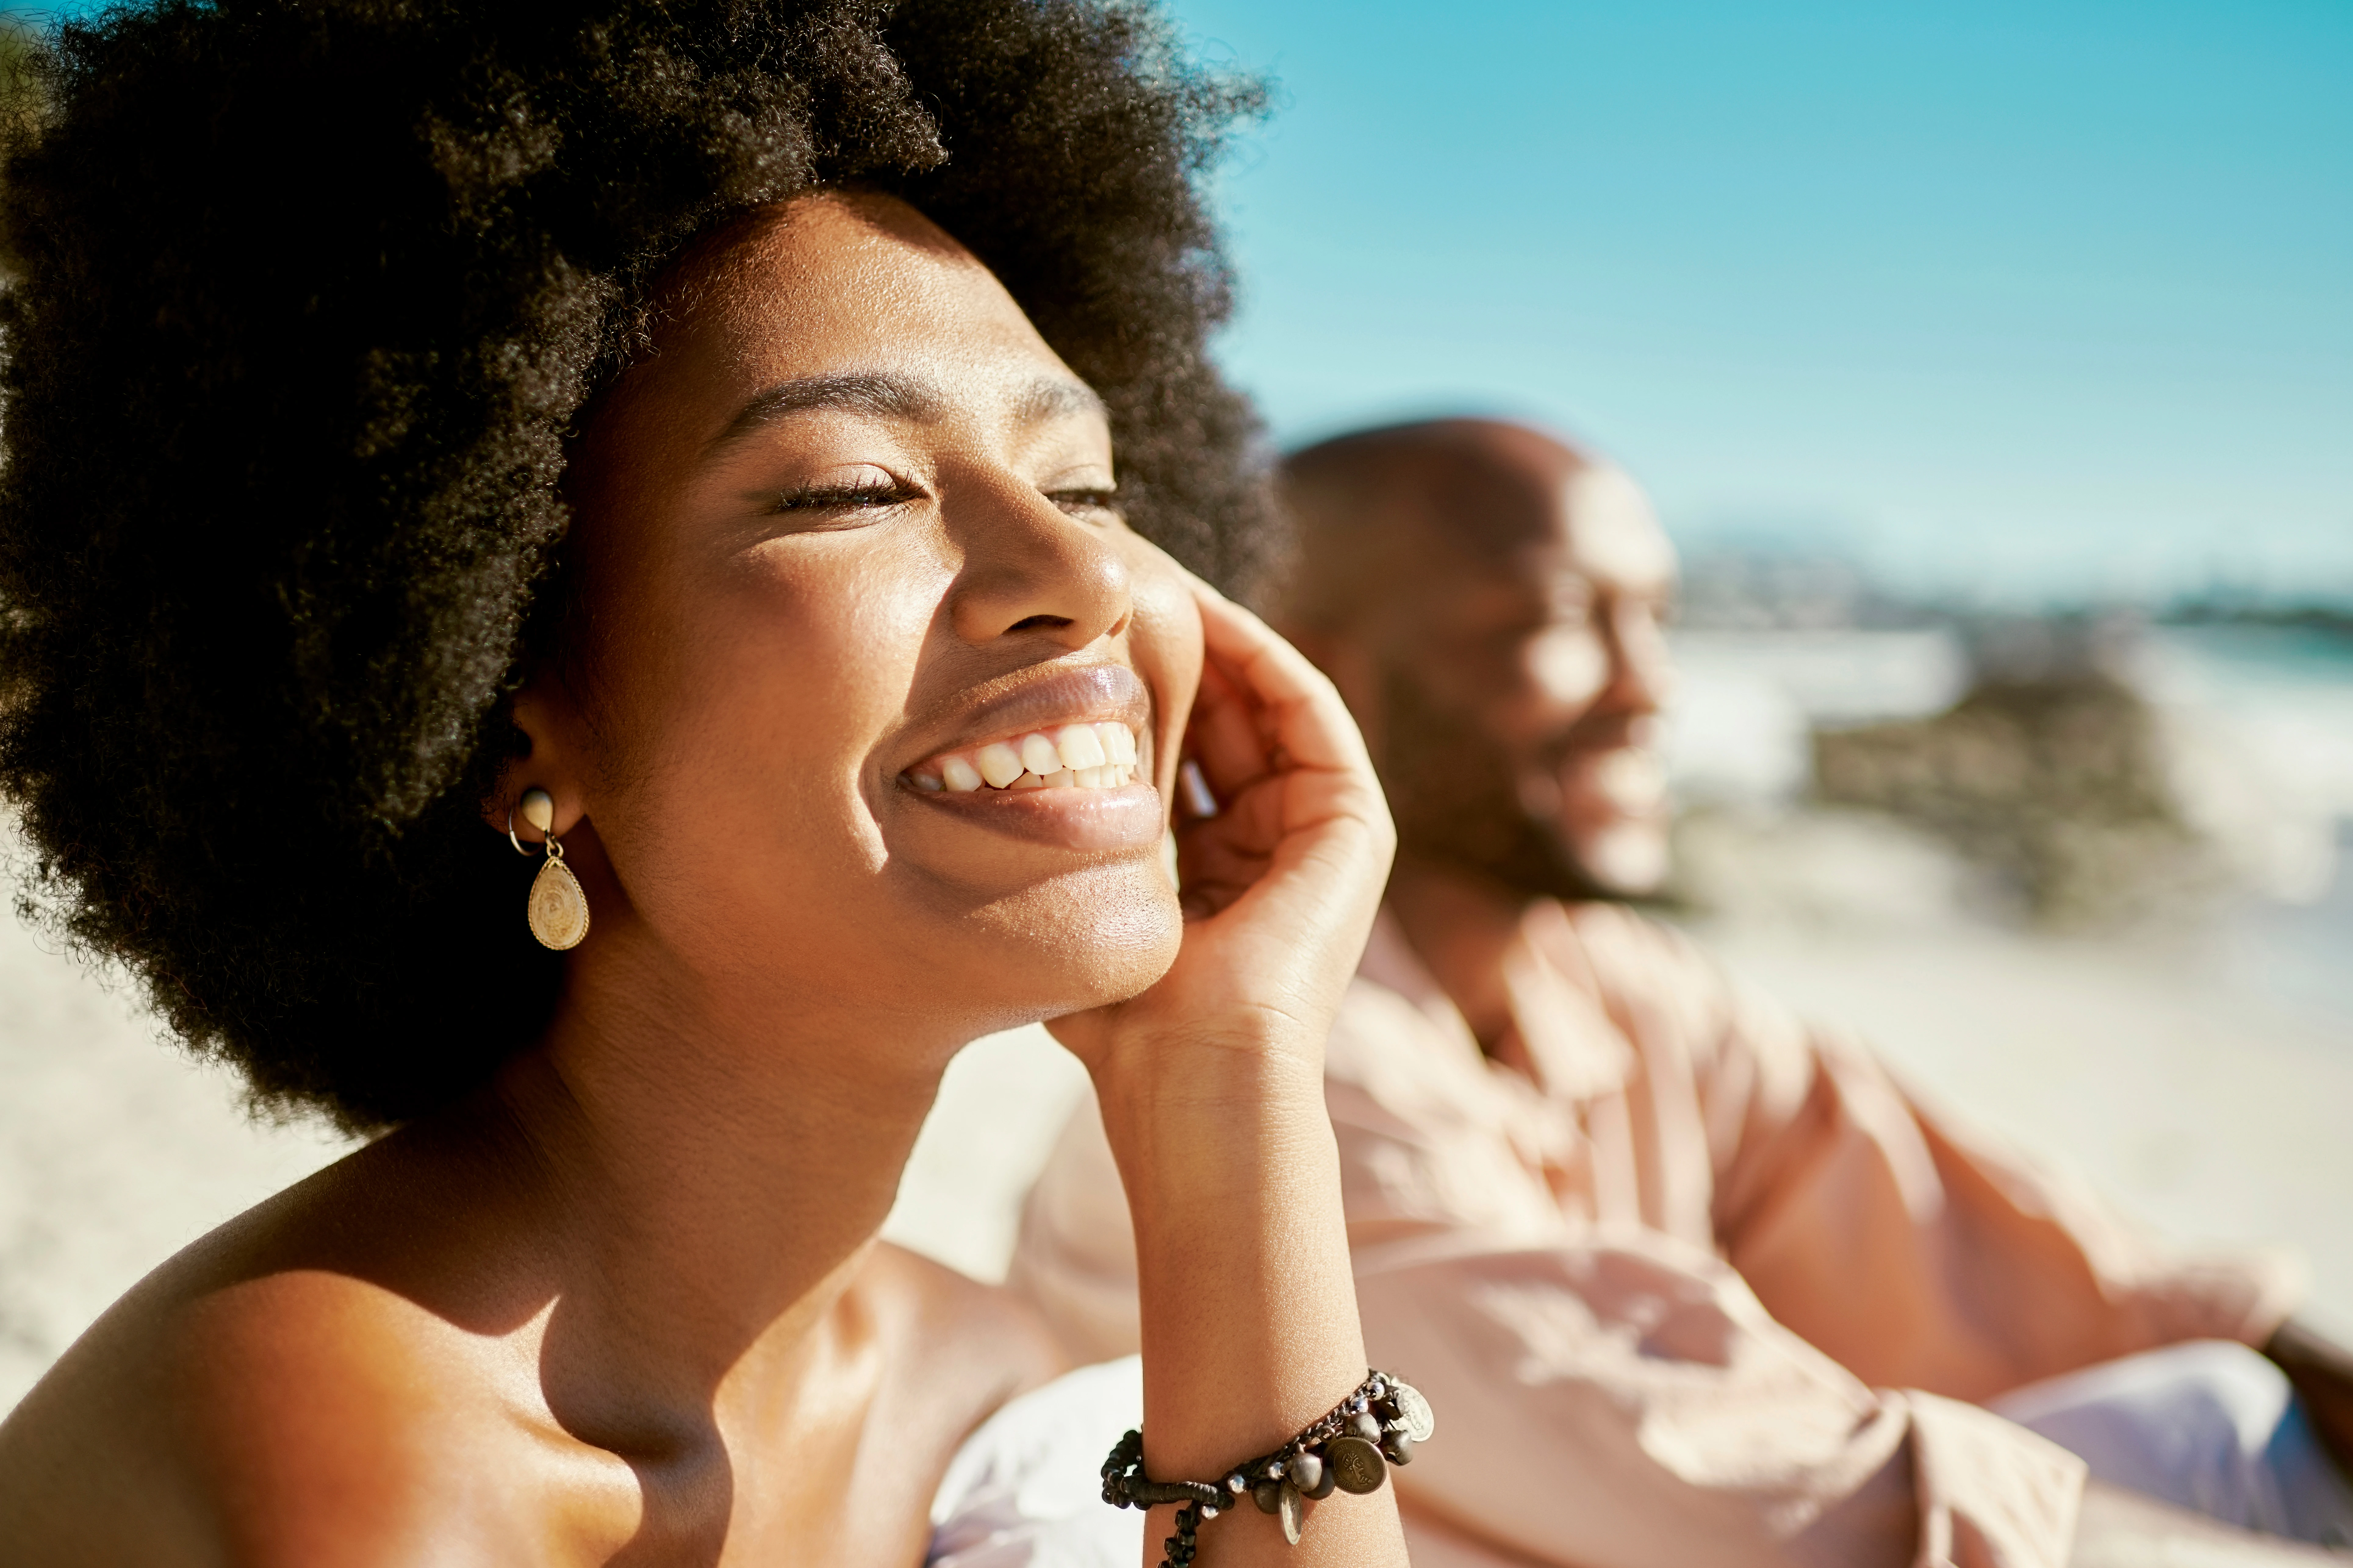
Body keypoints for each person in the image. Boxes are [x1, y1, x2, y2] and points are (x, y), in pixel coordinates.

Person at [0, 5, 1414, 1566]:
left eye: (1084, 480)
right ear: (508, 728)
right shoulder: (335, 1430)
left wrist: (1227, 1070)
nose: (1080, 570)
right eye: (849, 490)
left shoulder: (976, 1379)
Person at [1012, 417, 2353, 1566]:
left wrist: (2284, 1351)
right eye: (1554, 622)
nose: (1650, 689)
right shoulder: (1265, 1060)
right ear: (1297, 674)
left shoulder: (1609, 984)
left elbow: (1983, 1228)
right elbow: (1768, 1490)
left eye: (1651, 620)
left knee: (2217, 1404)